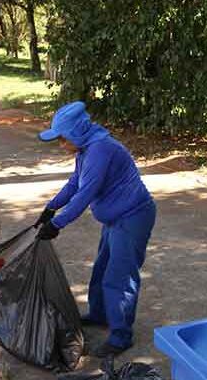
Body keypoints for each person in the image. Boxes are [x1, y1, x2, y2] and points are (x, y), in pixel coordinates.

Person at [35, 101, 156, 358]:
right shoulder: (86, 149)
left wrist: (57, 224)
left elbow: (84, 194)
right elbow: (73, 184)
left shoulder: (100, 150)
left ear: (76, 133)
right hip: (115, 219)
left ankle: (121, 337)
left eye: (62, 139)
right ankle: (101, 314)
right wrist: (51, 207)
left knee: (119, 277)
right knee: (102, 269)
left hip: (132, 217)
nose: (60, 145)